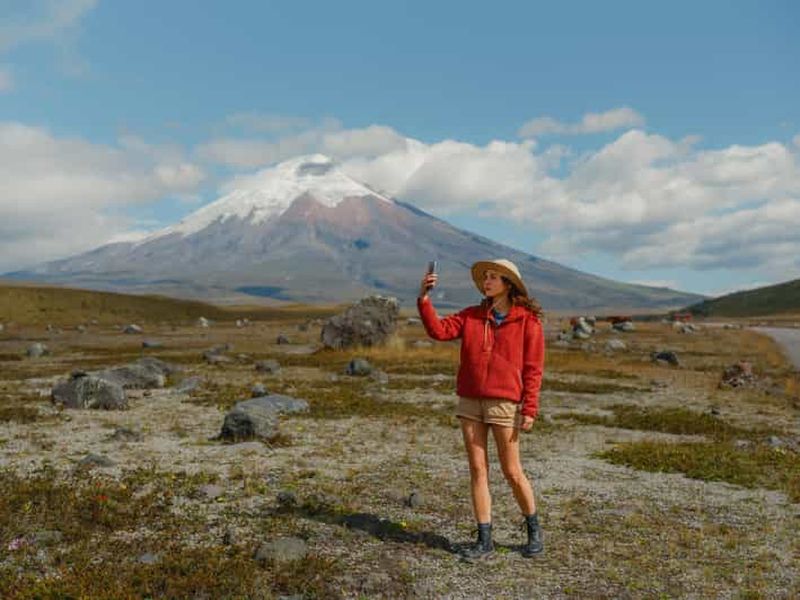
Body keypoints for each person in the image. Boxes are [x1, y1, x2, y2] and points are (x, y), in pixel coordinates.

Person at [417, 258, 545, 559]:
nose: (486, 282)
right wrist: (423, 298)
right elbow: (438, 331)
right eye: (485, 277)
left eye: (493, 277)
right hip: (470, 401)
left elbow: (533, 369)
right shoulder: (472, 316)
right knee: (478, 469)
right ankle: (484, 539)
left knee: (512, 471)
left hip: (505, 403)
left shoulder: (527, 321)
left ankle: (534, 530)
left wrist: (530, 408)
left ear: (508, 284)